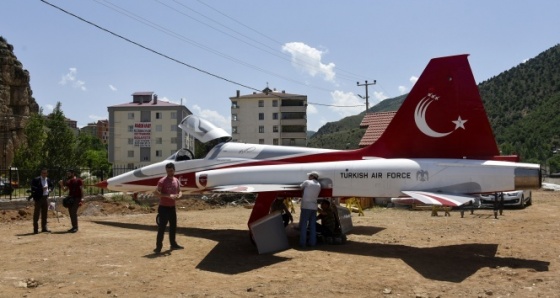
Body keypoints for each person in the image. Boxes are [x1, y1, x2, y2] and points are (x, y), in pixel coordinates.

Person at [153, 162, 184, 253]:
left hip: (172, 207)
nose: (170, 173)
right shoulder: (162, 181)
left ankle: (173, 244)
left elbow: (180, 191)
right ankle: (158, 247)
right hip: (163, 207)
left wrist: (179, 196)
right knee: (162, 228)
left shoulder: (176, 180)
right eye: (168, 171)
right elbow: (156, 193)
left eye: (171, 171)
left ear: (174, 170)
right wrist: (168, 195)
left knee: (173, 227)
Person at [298, 171, 322, 248]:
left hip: (306, 206)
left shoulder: (307, 182)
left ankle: (302, 243)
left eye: (309, 176)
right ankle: (312, 242)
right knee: (312, 225)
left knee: (304, 225)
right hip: (314, 207)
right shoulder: (319, 185)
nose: (308, 177)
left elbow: (300, 187)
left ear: (312, 176)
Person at [59, 169, 83, 233]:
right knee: (71, 212)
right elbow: (64, 190)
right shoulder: (68, 181)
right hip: (71, 198)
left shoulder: (78, 180)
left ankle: (75, 227)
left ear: (73, 173)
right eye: (67, 174)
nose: (68, 175)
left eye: (69, 173)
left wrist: (82, 199)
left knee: (73, 212)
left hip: (77, 198)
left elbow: (81, 190)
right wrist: (61, 184)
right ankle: (73, 226)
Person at [30, 168, 54, 234]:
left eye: (45, 173)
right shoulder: (36, 179)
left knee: (44, 213)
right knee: (36, 214)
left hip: (45, 198)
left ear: (47, 173)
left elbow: (52, 186)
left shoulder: (48, 180)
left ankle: (44, 228)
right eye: (43, 173)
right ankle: (35, 229)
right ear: (41, 173)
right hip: (38, 198)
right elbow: (33, 187)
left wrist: (50, 189)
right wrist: (41, 189)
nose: (44, 174)